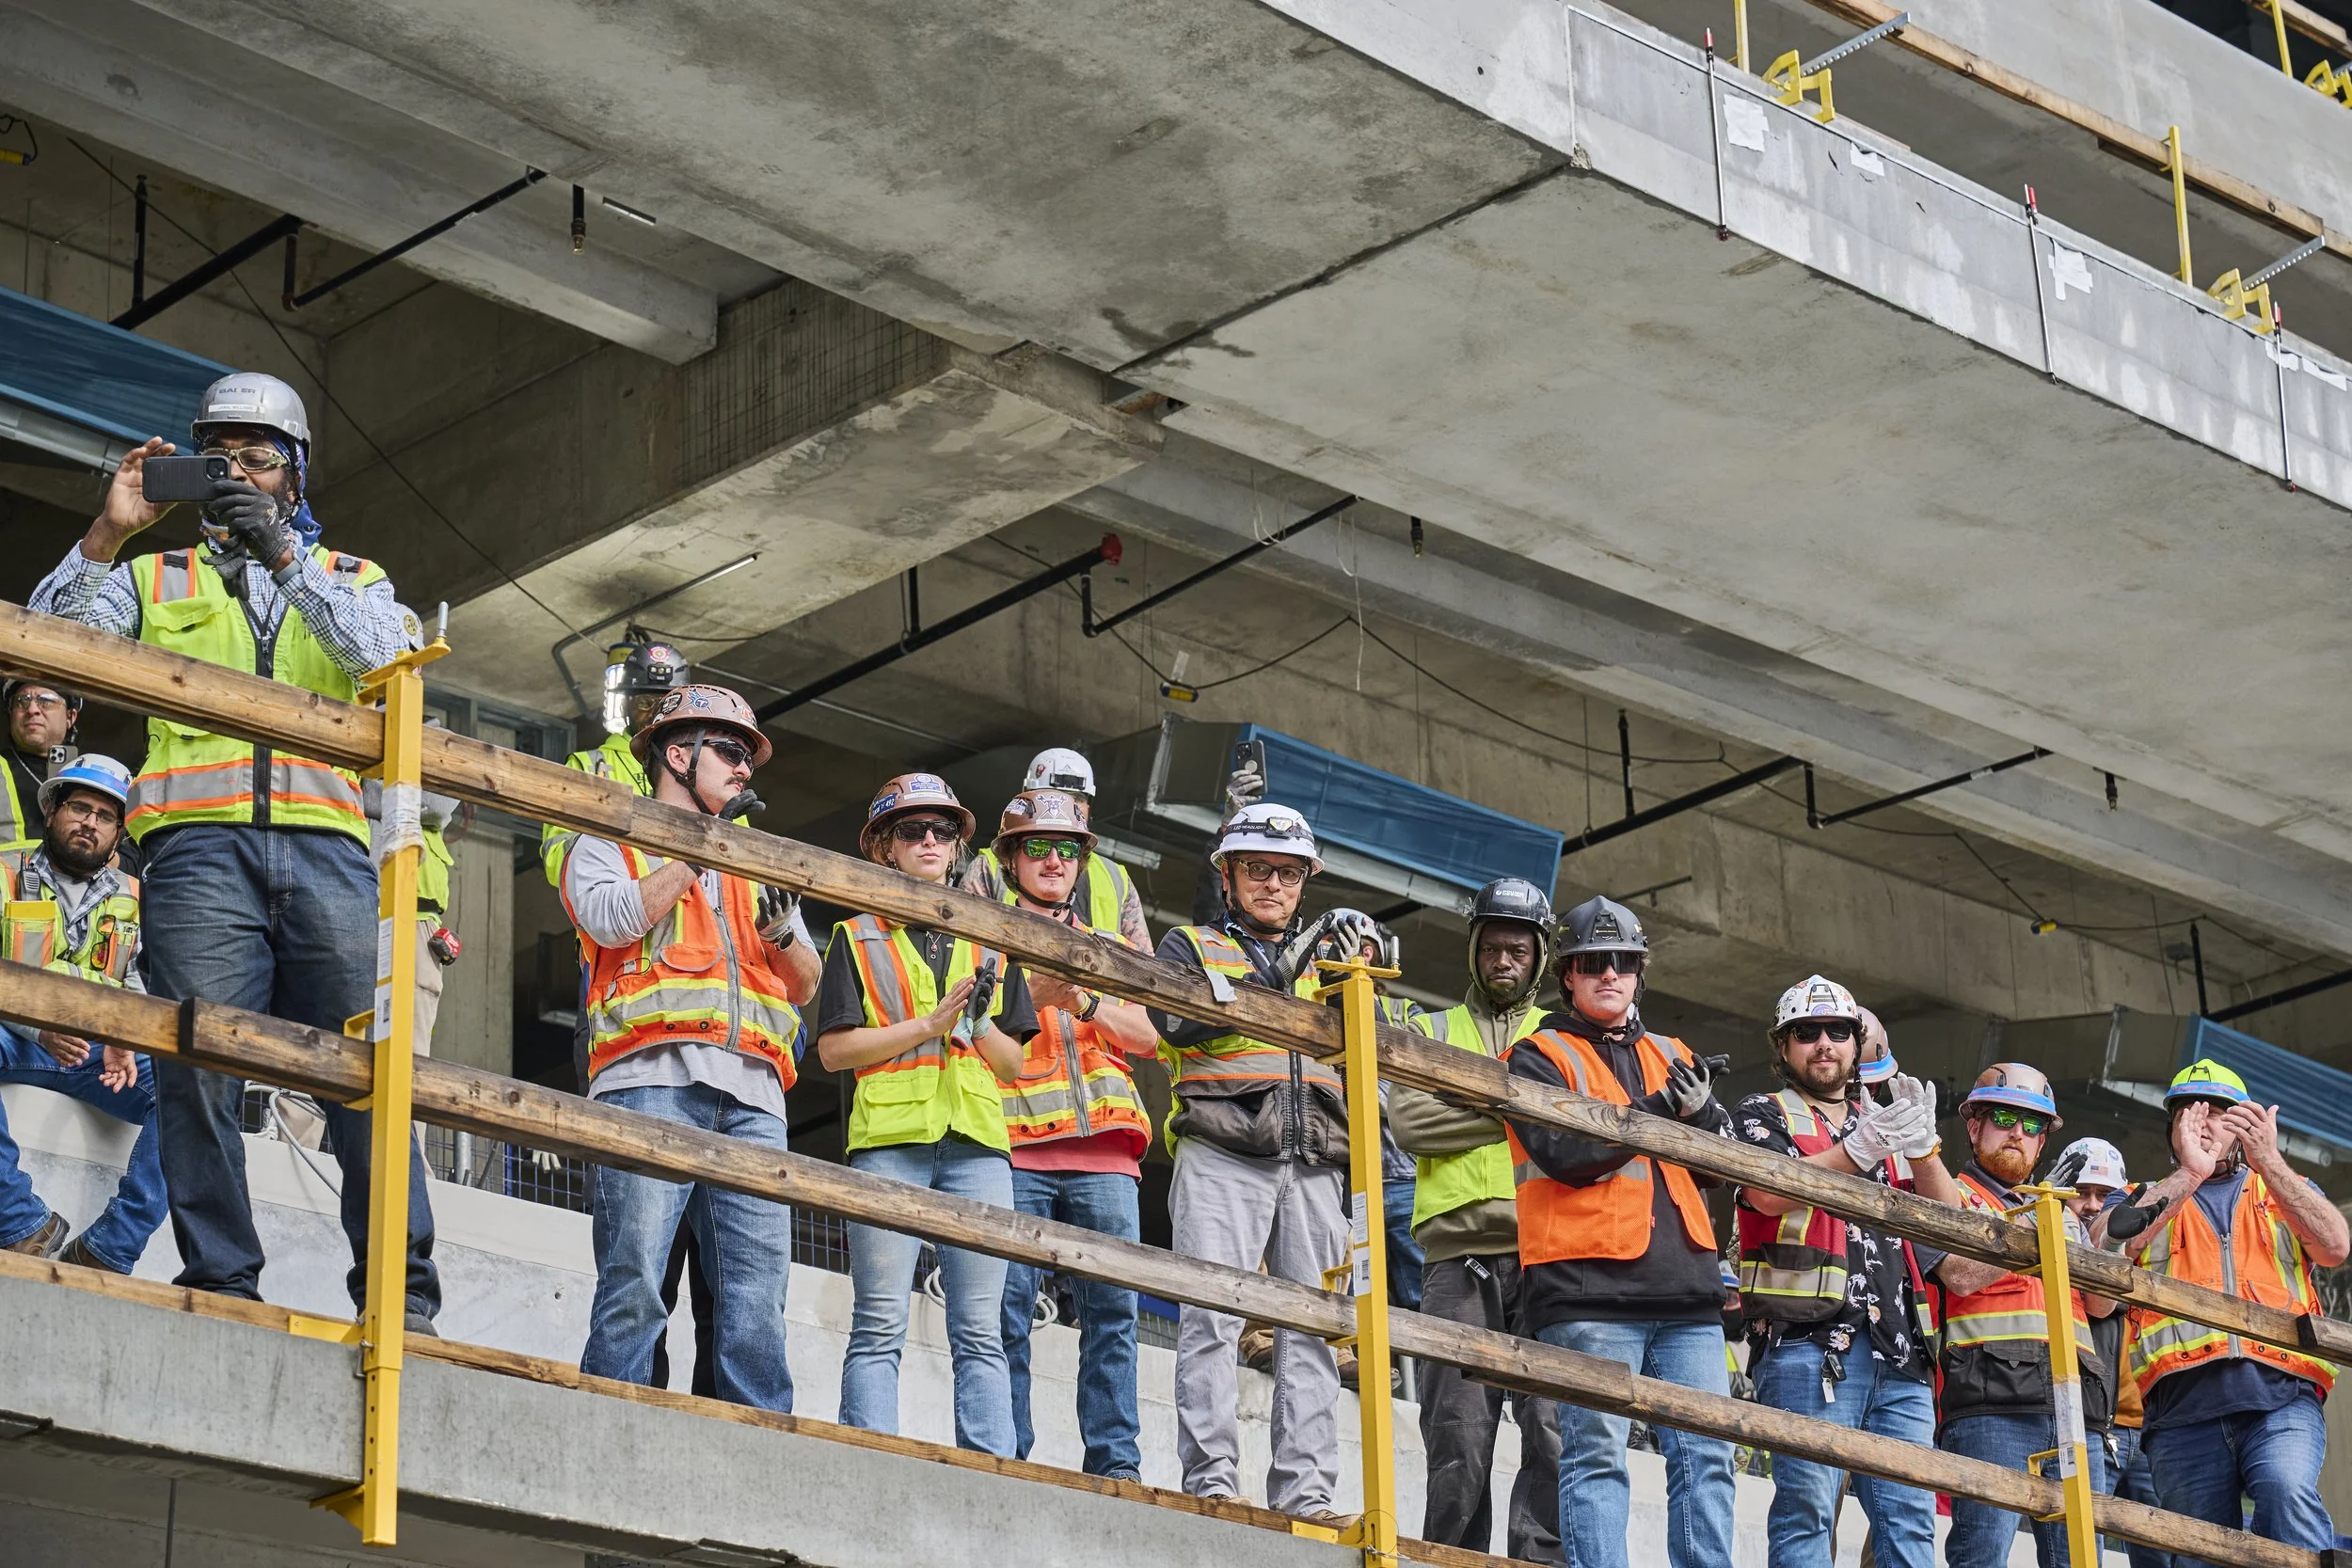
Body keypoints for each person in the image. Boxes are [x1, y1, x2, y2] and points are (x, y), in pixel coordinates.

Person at [30, 371, 440, 1329]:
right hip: (198, 856)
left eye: (263, 459)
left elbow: (385, 661)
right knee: (200, 1066)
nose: (242, 474)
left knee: (367, 1079)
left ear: (295, 475)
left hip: (332, 856)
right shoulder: (150, 576)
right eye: (223, 459)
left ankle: (400, 1296)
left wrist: (285, 556)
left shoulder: (351, 578)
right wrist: (110, 531)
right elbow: (47, 650)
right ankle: (221, 1277)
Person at [565, 684, 819, 1410]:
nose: (746, 769)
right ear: (679, 754)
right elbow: (611, 918)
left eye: (749, 757)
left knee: (756, 1298)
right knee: (635, 1283)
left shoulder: (753, 857)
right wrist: (698, 852)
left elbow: (807, 985)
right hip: (649, 1081)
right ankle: (610, 1426)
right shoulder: (610, 835)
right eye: (731, 752)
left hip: (755, 1099)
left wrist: (781, 938)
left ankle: (762, 1453)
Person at [1146, 801, 1371, 1525]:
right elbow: (1174, 1019)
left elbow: (1370, 1052)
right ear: (1229, 874)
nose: (1273, 883)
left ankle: (1305, 1495)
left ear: (1306, 880)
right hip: (1222, 1149)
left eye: (1288, 871)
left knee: (1312, 1331)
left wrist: (1362, 971)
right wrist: (1283, 972)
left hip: (1316, 1160)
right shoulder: (1189, 945)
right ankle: (1210, 1481)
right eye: (1258, 869)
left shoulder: (1332, 966)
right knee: (1210, 1317)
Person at [1500, 895, 1736, 1568]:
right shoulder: (1538, 1054)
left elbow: (1720, 1169)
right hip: (1588, 1289)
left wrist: (1706, 1115)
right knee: (1597, 1455)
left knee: (1708, 1454)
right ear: (1567, 975)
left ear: (1639, 973)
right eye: (1593, 963)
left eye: (1624, 963)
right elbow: (1567, 1156)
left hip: (1687, 1290)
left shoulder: (1673, 1051)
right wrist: (1664, 1106)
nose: (1610, 974)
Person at [818, 773, 1040, 1454]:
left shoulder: (991, 938)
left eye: (942, 830)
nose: (929, 841)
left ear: (956, 846)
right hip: (889, 1143)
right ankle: (872, 1462)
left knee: (982, 1331)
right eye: (912, 829)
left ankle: (991, 1472)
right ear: (883, 846)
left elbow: (1014, 1065)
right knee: (878, 1322)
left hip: (976, 1146)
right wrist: (928, 1025)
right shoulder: (853, 937)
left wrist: (971, 1026)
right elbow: (832, 1052)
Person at [1732, 976, 1952, 1568]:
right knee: (1808, 1516)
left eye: (1837, 1032)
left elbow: (1947, 1221)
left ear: (1857, 1046)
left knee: (1910, 1530)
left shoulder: (1885, 1121)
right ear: (1784, 1048)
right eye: (1806, 1033)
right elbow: (1767, 1193)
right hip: (1808, 1347)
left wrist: (1925, 1146)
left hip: (1902, 1355)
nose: (1823, 1043)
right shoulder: (1761, 1113)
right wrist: (1863, 1147)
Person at [977, 787, 1156, 1479]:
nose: (1053, 860)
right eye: (1038, 847)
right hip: (1016, 1144)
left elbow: (1147, 1035)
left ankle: (1116, 1464)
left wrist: (1082, 997)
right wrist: (1029, 993)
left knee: (1114, 1316)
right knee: (1008, 1308)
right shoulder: (984, 936)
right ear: (1013, 858)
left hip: (1107, 1151)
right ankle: (1011, 1456)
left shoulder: (1108, 945)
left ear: (1082, 863)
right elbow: (974, 1027)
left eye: (1066, 849)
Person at [1387, 876, 1564, 1562]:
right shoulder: (1432, 1030)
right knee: (1457, 1438)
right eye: (1492, 947)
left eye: (1517, 949)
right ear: (1473, 951)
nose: (1503, 960)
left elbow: (1576, 1136)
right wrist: (1518, 1106)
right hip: (1456, 1263)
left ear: (1539, 957)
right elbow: (1411, 1121)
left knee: (1551, 1432)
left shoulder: (1562, 1040)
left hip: (1548, 1259)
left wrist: (1472, 1104)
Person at [2106, 1059, 2346, 1560]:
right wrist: (2189, 1174)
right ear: (2171, 1130)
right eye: (2188, 1112)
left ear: (2245, 1126)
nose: (2204, 1121)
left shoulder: (2280, 1189)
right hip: (2180, 1413)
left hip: (2281, 1394)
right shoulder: (2143, 1198)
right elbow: (2107, 1247)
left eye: (2219, 1111)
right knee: (2200, 1554)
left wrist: (2271, 1162)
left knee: (2286, 1492)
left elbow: (2335, 1246)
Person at [1932, 1064, 2115, 1568]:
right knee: (1982, 1558)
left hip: (2076, 1406)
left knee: (2083, 1562)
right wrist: (2037, 1221)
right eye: (2006, 1118)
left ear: (2043, 1142)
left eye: (2033, 1125)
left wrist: (2105, 1234)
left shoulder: (2063, 1213)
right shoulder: (1954, 1193)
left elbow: (2101, 1305)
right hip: (1991, 1406)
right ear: (1974, 1126)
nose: (2019, 1132)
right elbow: (1961, 1276)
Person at [0, 755, 167, 1273]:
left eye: (105, 815)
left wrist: (126, 1034)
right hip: (13, 1037)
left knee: (193, 1090)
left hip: (98, 1055)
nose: (89, 822)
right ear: (51, 812)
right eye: (79, 807)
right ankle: (22, 1224)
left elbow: (137, 982)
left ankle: (108, 1249)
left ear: (119, 833)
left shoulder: (136, 897)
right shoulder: (4, 870)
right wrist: (38, 1024)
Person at [2049, 1137, 2171, 1568]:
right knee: (2083, 1554)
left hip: (2151, 1429)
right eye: (2081, 1192)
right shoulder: (2052, 1234)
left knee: (2166, 1557)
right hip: (2091, 1425)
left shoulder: (2151, 1238)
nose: (2090, 1204)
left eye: (2104, 1195)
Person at [963, 748, 1151, 952]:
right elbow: (962, 945)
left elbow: (1146, 963)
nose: (1061, 807)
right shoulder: (988, 866)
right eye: (1037, 848)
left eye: (1076, 798)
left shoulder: (1116, 878)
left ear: (1089, 805)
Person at [0, 681, 81, 850]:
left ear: (70, 717)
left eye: (46, 701)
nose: (32, 710)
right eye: (22, 701)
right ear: (11, 713)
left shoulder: (93, 776)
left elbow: (131, 860)